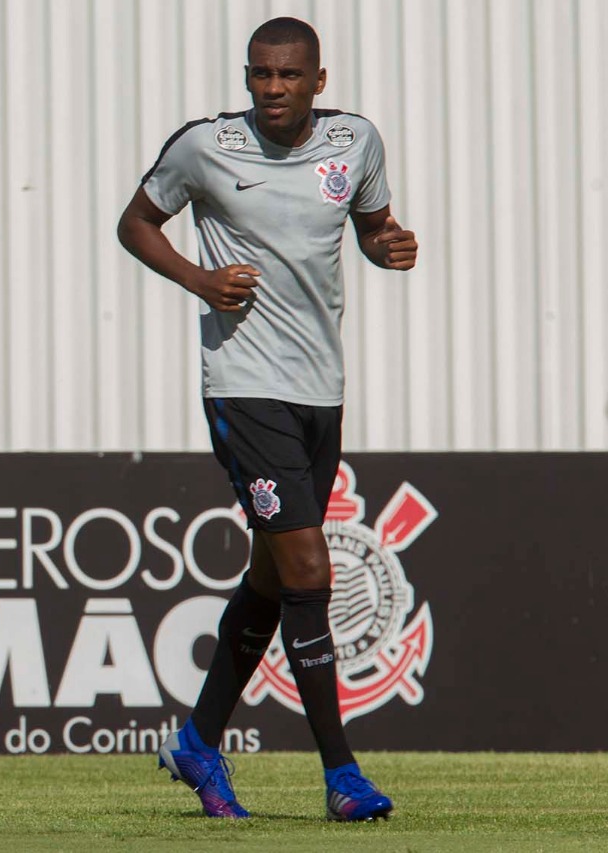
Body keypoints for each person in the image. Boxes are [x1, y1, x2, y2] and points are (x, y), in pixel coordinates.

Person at [117, 17, 417, 822]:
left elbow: (368, 227)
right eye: (260, 75)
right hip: (244, 385)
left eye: (288, 77)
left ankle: (198, 740)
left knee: (272, 574)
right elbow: (135, 223)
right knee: (311, 570)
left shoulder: (356, 142)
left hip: (322, 388)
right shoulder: (204, 146)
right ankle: (343, 774)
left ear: (319, 81)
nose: (272, 90)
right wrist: (200, 279)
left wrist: (385, 244)